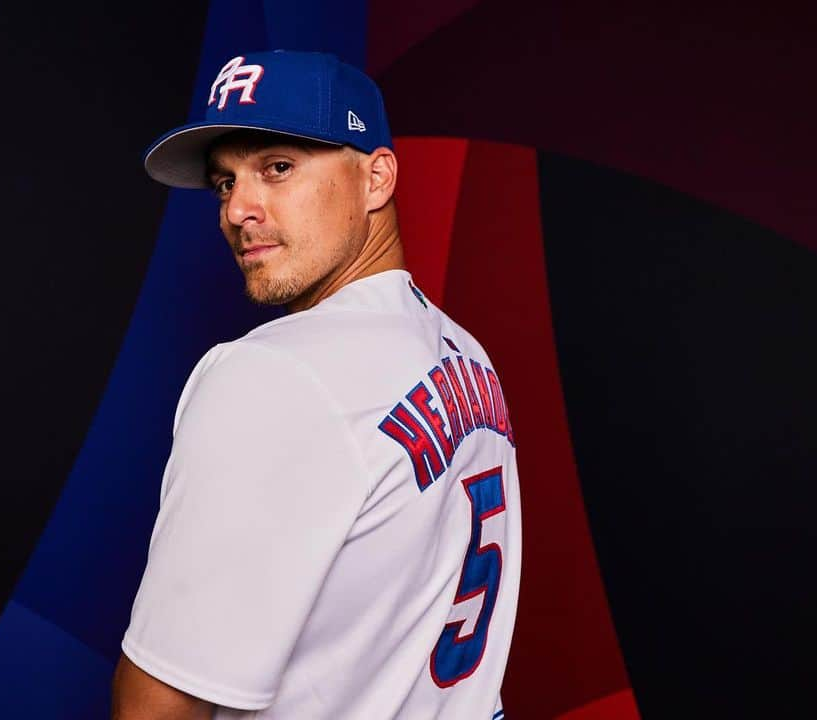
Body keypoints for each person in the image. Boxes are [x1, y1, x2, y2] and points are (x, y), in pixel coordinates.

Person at [112, 50, 521, 720]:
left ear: (376, 177)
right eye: (224, 183)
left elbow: (158, 707)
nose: (238, 209)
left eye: (278, 167)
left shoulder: (270, 376)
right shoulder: (465, 354)